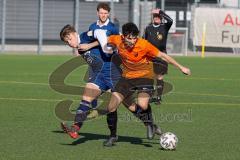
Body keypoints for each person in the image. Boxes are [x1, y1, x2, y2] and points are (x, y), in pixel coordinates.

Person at [75, 22, 190, 146]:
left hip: (144, 76)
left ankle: (150, 124)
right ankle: (113, 136)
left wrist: (181, 67)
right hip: (127, 77)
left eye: (135, 37)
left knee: (142, 104)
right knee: (111, 107)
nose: (133, 41)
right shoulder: (117, 39)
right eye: (130, 38)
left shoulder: (144, 45)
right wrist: (88, 45)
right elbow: (102, 40)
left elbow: (162, 55)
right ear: (123, 37)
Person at [59, 24, 162, 147]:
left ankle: (150, 123)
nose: (70, 43)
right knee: (86, 99)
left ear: (74, 34)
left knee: (131, 107)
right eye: (67, 42)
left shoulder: (85, 36)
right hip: (99, 77)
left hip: (115, 74)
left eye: (69, 39)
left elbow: (100, 32)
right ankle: (77, 128)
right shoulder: (79, 48)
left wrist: (99, 46)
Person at [143, 9, 173, 104]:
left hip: (161, 56)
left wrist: (160, 12)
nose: (157, 18)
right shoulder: (148, 28)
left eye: (158, 16)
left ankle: (159, 97)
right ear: (153, 18)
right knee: (150, 76)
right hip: (150, 56)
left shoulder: (164, 27)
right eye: (155, 16)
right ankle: (151, 95)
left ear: (161, 18)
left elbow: (170, 20)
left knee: (159, 77)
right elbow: (144, 41)